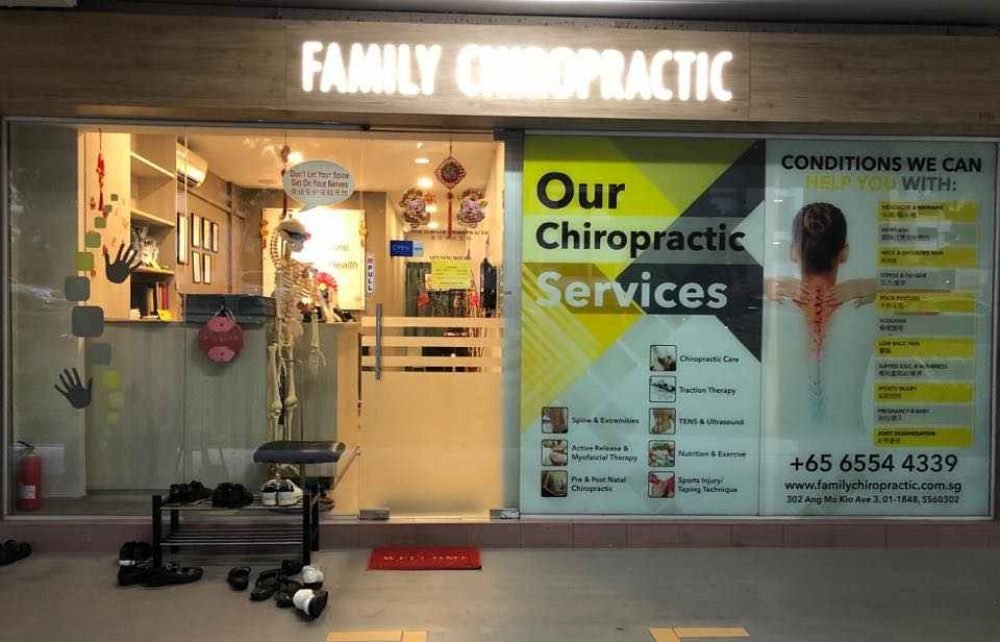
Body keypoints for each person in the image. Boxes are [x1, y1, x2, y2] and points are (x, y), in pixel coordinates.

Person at [765, 202, 876, 357]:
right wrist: (873, 286)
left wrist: (768, 284)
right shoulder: (868, 308)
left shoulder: (771, 307)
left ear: (793, 252)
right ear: (844, 253)